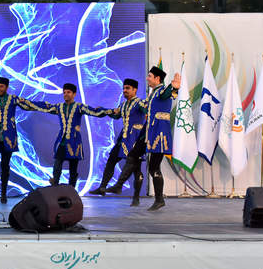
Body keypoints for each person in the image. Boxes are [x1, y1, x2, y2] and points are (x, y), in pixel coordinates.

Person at [106, 66, 180, 211]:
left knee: (154, 168)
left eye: (150, 76)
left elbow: (166, 94)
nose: (147, 78)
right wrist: (117, 110)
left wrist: (174, 87)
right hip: (148, 132)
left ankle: (159, 200)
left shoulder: (161, 91)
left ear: (157, 78)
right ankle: (119, 185)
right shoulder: (153, 94)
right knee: (132, 155)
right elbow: (146, 107)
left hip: (159, 134)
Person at [29, 83, 112, 188]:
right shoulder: (59, 107)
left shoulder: (79, 107)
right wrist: (28, 103)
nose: (66, 94)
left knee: (73, 167)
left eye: (68, 92)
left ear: (74, 94)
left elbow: (94, 112)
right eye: (64, 92)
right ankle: (55, 185)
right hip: (62, 140)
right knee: (57, 163)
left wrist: (109, 111)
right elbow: (45, 106)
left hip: (74, 141)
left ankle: (72, 189)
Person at [90, 78, 146, 206]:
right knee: (111, 160)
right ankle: (102, 188)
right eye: (124, 88)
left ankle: (136, 198)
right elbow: (116, 115)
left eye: (128, 88)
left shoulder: (140, 103)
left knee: (136, 168)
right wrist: (104, 110)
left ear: (135, 90)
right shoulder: (123, 104)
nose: (125, 90)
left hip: (135, 139)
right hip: (123, 139)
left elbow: (147, 110)